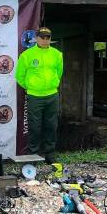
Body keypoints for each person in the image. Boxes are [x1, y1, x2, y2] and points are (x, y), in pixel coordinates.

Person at [15, 26, 64, 164]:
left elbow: (59, 73)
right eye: (42, 37)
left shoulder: (57, 54)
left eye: (47, 37)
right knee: (34, 127)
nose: (45, 40)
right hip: (34, 96)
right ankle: (33, 156)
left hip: (52, 95)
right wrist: (32, 87)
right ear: (36, 38)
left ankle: (50, 155)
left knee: (51, 125)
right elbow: (20, 76)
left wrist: (52, 85)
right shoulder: (27, 55)